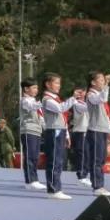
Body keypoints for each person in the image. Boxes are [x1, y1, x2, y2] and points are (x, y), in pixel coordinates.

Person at [41, 72, 74, 200]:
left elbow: (62, 117)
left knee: (59, 161)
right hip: (53, 131)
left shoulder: (55, 98)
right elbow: (60, 108)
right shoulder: (47, 99)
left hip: (60, 130)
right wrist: (73, 98)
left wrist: (67, 135)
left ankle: (56, 188)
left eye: (59, 83)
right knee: (54, 160)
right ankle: (53, 189)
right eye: (56, 83)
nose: (59, 86)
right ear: (47, 84)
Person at [85, 71, 110, 197]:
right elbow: (102, 99)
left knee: (102, 159)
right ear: (93, 82)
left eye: (104, 80)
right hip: (95, 130)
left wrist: (109, 129)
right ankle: (97, 186)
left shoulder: (99, 94)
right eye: (101, 80)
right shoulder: (91, 95)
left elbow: (105, 114)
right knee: (96, 159)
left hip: (102, 129)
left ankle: (100, 185)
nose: (103, 82)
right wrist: (107, 85)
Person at [19, 78, 44, 191]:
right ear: (26, 89)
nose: (36, 90)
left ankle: (35, 179)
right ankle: (29, 181)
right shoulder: (25, 100)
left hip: (37, 131)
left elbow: (41, 117)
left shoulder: (34, 101)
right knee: (30, 156)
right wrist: (43, 102)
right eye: (34, 87)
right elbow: (30, 107)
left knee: (35, 157)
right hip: (28, 130)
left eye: (37, 88)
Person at [68, 85, 91, 188]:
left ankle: (84, 175)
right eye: (78, 92)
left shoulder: (86, 103)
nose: (81, 94)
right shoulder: (76, 104)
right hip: (80, 131)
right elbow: (86, 108)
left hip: (88, 131)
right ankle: (81, 177)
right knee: (81, 154)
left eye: (82, 92)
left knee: (87, 155)